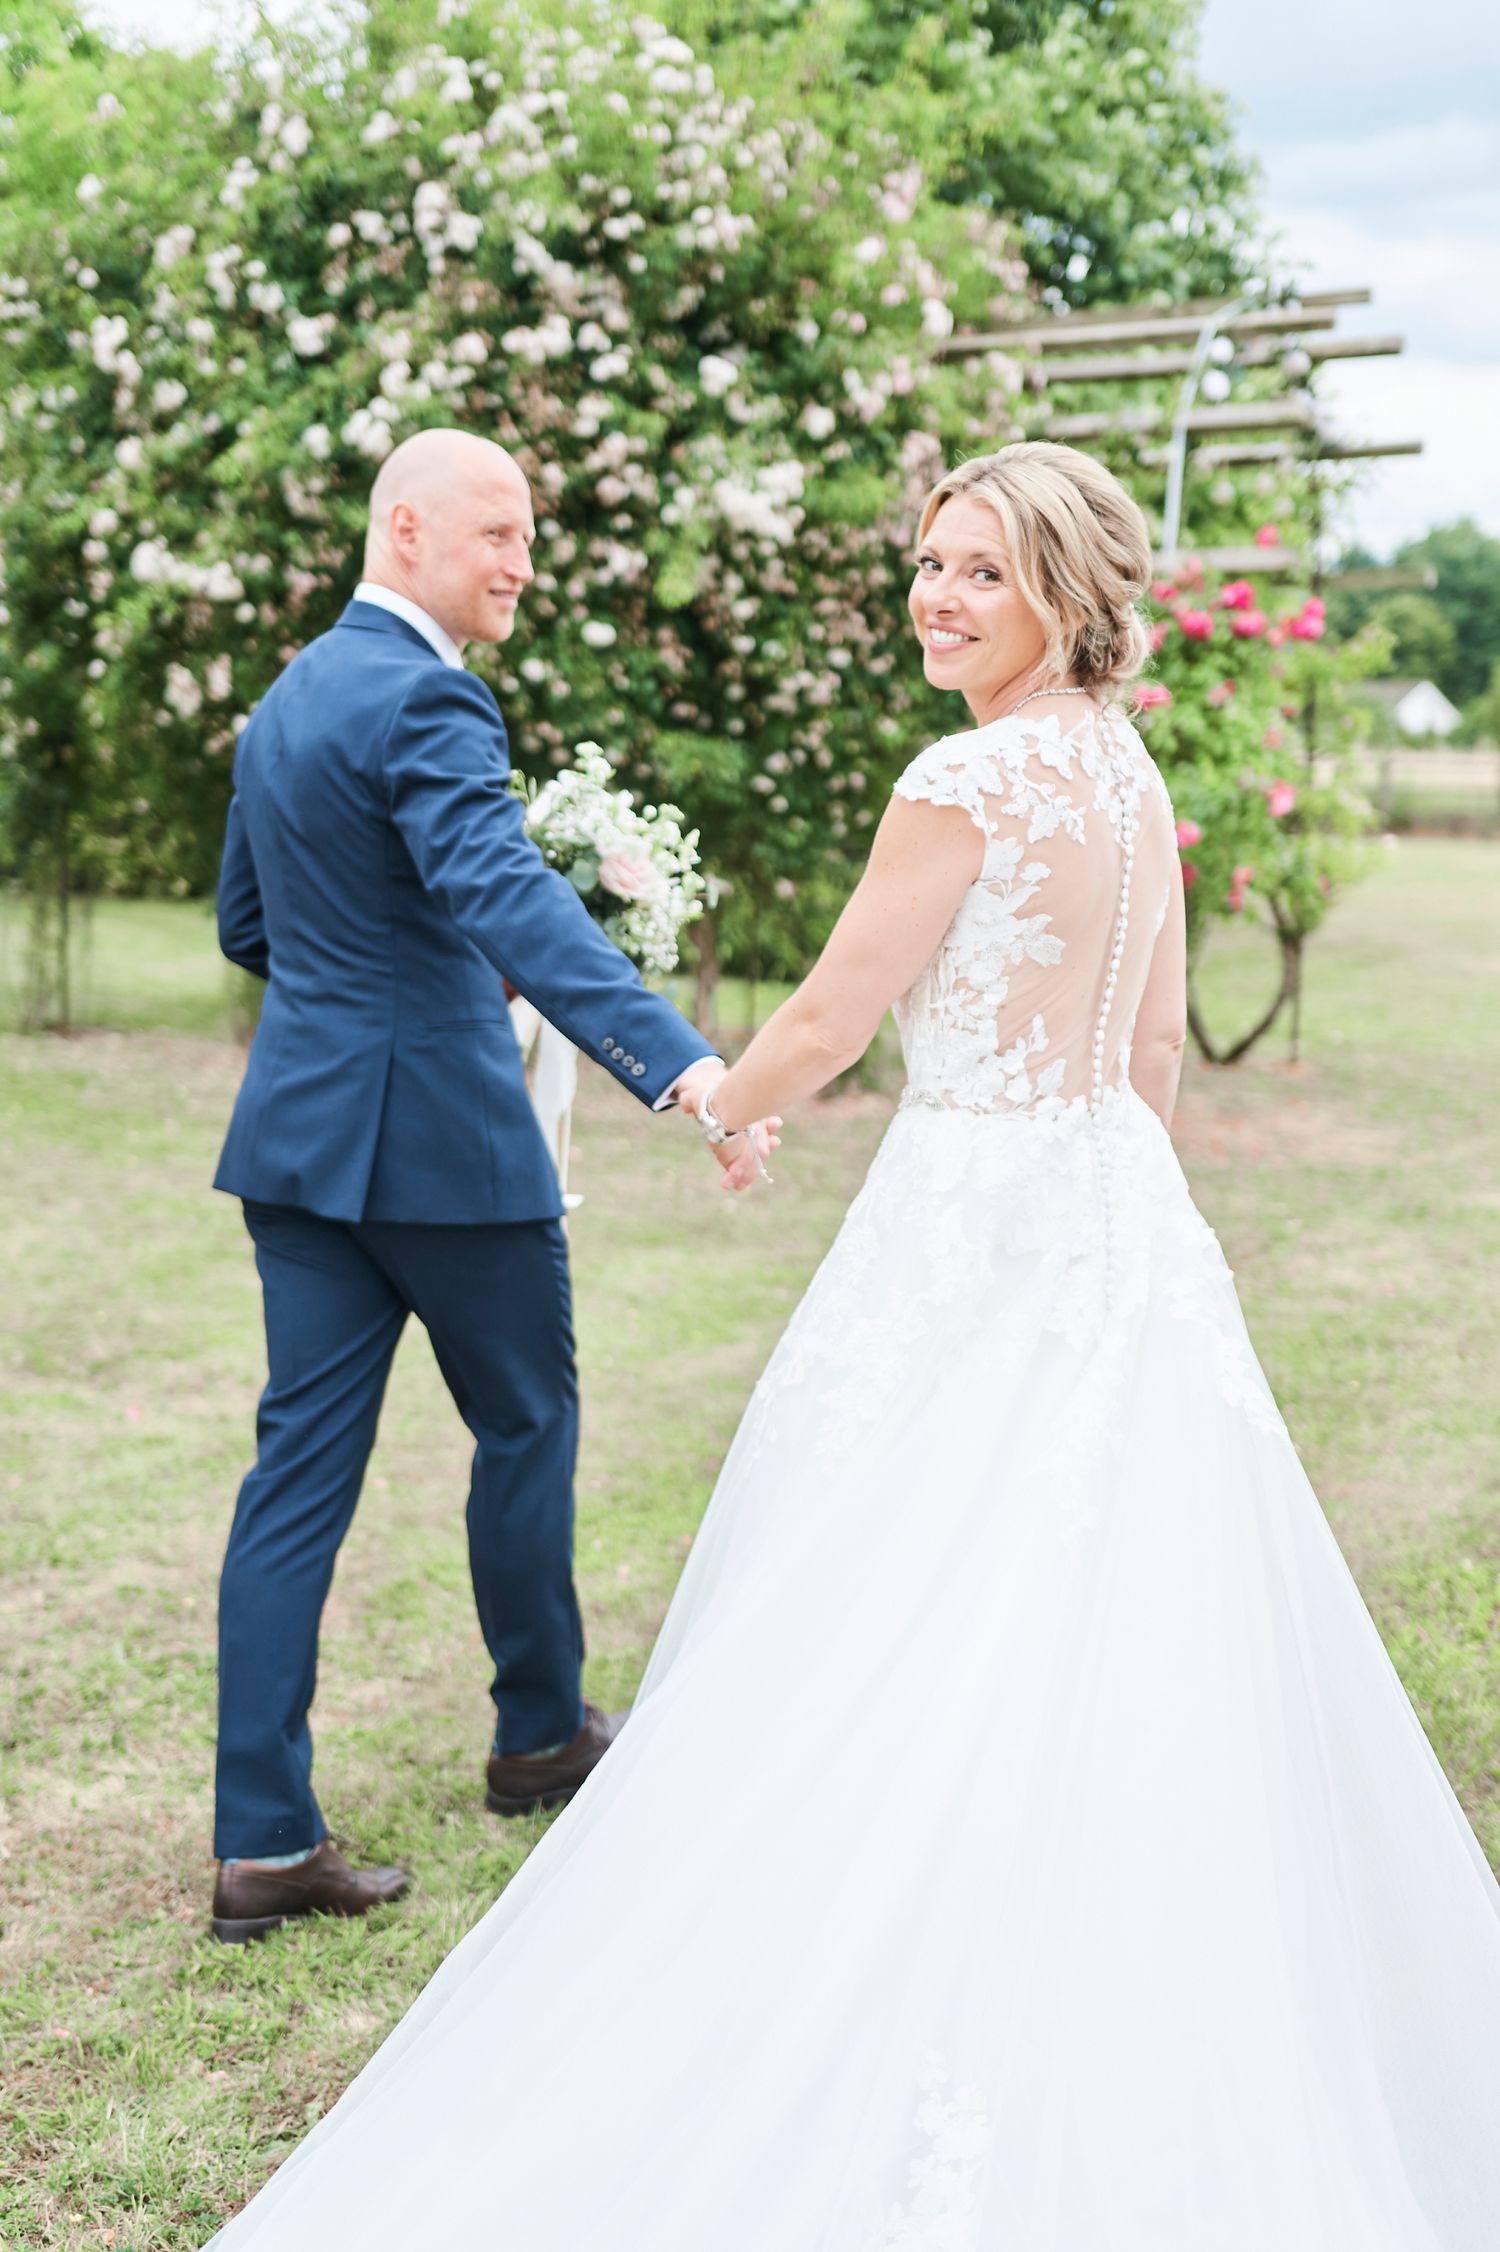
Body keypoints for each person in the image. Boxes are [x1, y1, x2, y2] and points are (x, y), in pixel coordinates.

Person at [206, 442, 1500, 2247]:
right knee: (1088, 1566)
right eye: (931, 562)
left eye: (981, 571)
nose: (939, 595)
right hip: (1098, 1218)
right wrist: (1096, 1202)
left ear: (1064, 590)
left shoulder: (957, 773)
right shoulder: (1127, 774)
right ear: (415, 532)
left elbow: (827, 1008)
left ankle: (306, 1810)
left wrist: (722, 1088)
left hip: (943, 1217)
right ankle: (538, 1738)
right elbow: (1146, 1063)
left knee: (879, 1565)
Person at [209, 429, 775, 1946]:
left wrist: (369, 991)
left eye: (528, 536)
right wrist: (682, 1066)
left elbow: (245, 921)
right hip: (451, 1150)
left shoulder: (282, 706)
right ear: (406, 529)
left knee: (293, 1484)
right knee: (526, 1425)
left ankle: (261, 1841)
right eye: (498, 533)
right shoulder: (430, 697)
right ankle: (538, 1738)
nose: (521, 562)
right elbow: (505, 895)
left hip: (301, 1143)